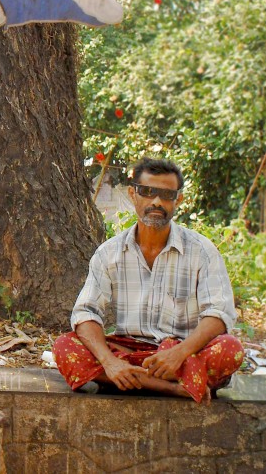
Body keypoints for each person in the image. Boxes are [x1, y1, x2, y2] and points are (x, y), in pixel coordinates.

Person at [53, 158, 243, 404]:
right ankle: (173, 388)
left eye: (166, 195)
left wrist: (178, 353)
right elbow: (86, 312)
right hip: (128, 353)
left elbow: (219, 313)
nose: (156, 202)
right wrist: (110, 362)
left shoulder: (201, 251)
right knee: (65, 346)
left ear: (178, 200)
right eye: (148, 192)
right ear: (133, 194)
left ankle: (134, 381)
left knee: (229, 350)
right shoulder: (109, 253)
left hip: (182, 355)